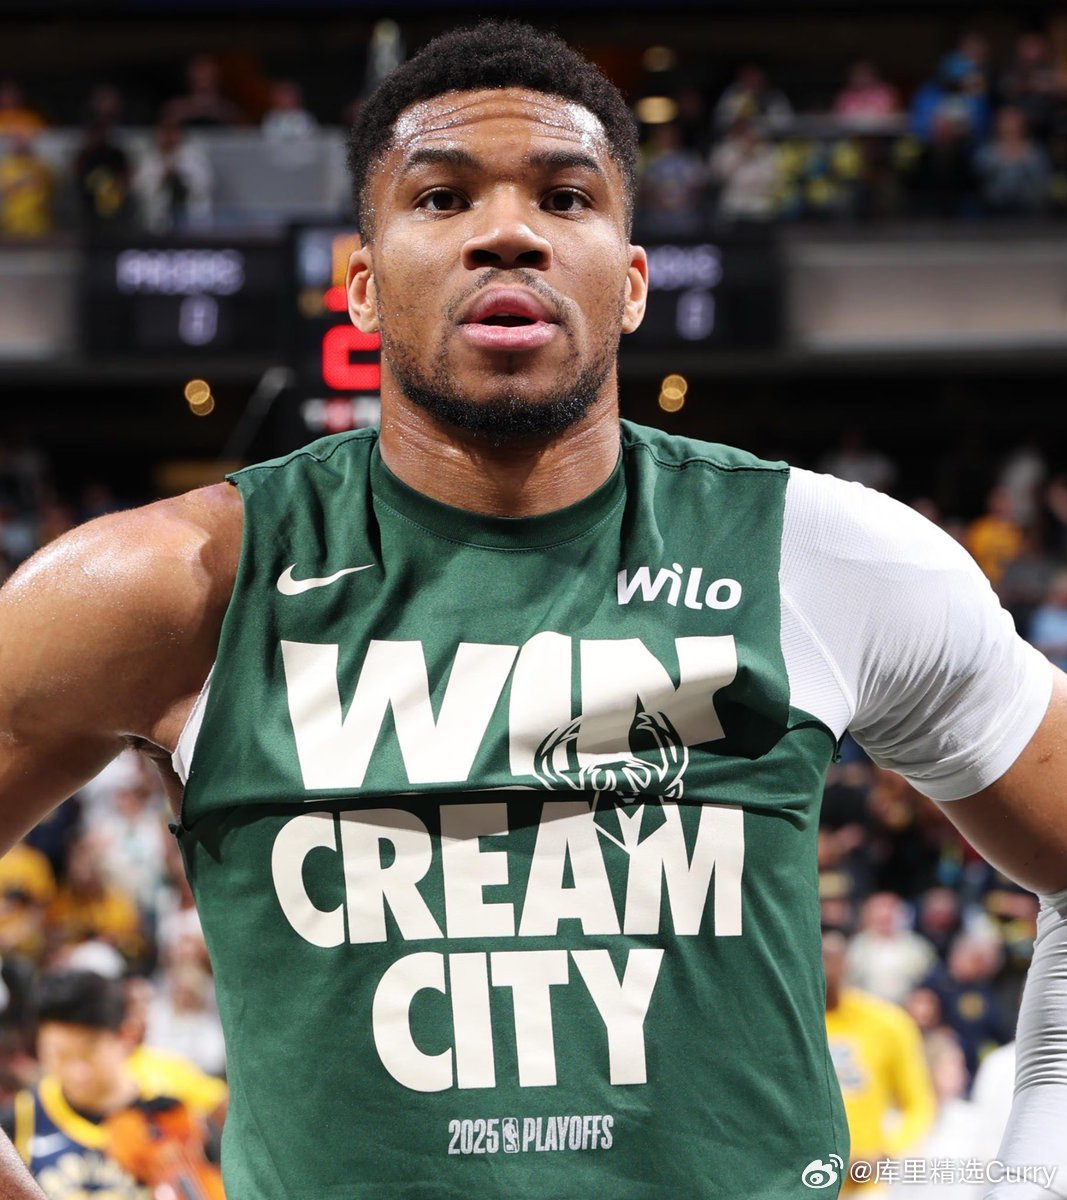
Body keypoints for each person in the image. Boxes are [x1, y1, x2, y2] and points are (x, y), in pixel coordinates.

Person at [0, 18, 1065, 1199]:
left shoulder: (824, 557)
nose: (506, 232)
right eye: (442, 197)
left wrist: (1034, 1178)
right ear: (361, 286)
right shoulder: (168, 583)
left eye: (564, 197)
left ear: (631, 283)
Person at [1, 969, 221, 1199]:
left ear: (127, 1035)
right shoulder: (20, 1117)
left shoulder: (177, 1110)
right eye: (59, 1055)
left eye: (89, 1053)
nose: (77, 1072)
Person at [823, 930, 936, 1191]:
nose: (824, 968)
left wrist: (886, 1153)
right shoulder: (784, 1029)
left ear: (846, 963)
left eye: (831, 958)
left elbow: (919, 1104)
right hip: (801, 1182)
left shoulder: (888, 1023)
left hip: (865, 1184)